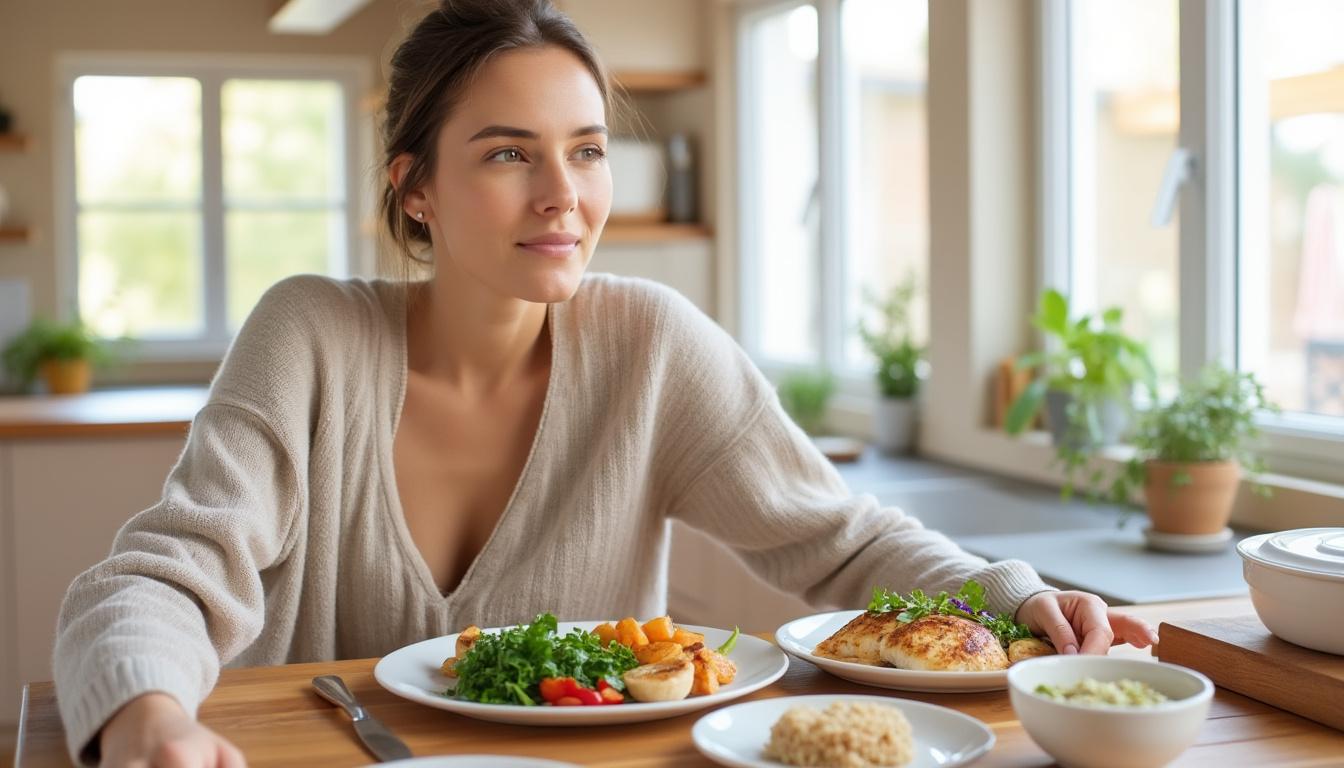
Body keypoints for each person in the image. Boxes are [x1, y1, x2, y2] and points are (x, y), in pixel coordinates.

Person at [52, 1, 1159, 765]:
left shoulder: (651, 344)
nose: (562, 196)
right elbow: (158, 579)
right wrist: (150, 717)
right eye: (505, 153)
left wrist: (1011, 597)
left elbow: (843, 539)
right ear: (416, 187)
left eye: (585, 150)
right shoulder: (311, 335)